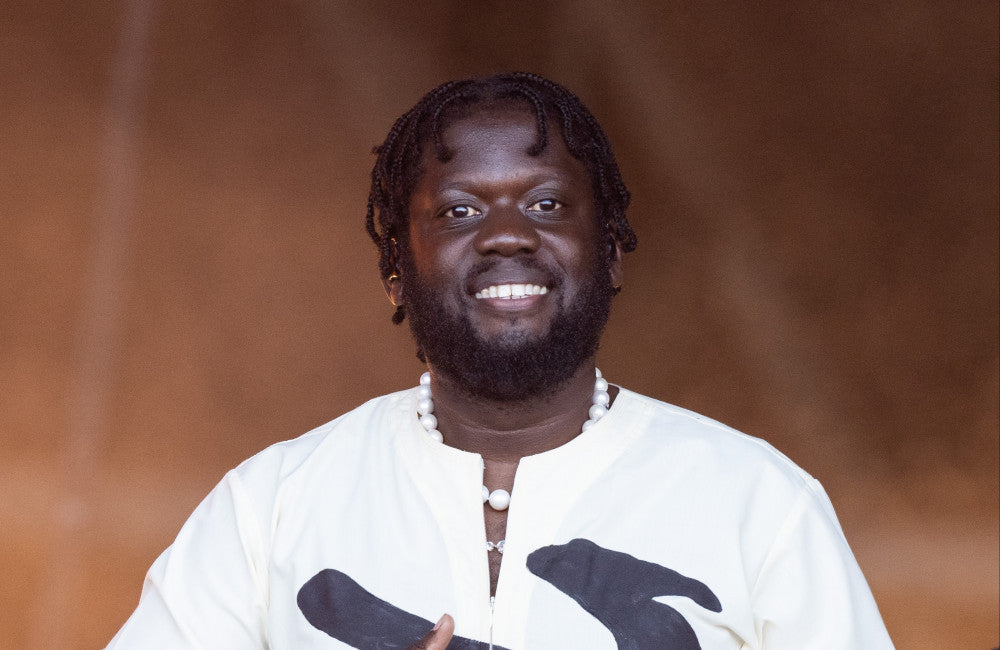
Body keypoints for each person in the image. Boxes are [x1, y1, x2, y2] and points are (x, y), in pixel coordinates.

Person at [107, 72, 893, 649]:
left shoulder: (758, 505)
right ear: (395, 270)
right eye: (459, 210)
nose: (507, 233)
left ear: (612, 251)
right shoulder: (268, 510)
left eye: (547, 203)